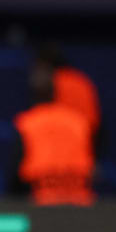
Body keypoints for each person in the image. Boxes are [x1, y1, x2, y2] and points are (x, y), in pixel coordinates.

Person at [14, 77, 95, 206]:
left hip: (40, 204)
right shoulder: (78, 122)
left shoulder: (27, 123)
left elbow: (15, 173)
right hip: (79, 204)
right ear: (56, 93)